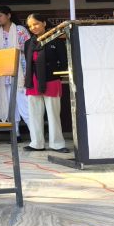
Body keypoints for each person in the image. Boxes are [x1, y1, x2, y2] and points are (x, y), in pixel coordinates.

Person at [23, 13, 69, 153]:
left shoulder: (56, 41)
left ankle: (57, 144)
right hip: (33, 81)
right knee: (34, 114)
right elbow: (29, 63)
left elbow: (64, 62)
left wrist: (55, 73)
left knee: (53, 114)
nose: (33, 28)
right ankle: (36, 143)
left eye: (36, 24)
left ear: (44, 23)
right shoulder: (28, 43)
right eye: (30, 26)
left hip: (51, 80)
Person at [0, 6, 31, 142]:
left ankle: (35, 136)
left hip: (20, 74)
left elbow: (28, 51)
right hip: (3, 76)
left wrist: (27, 73)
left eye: (0, 15)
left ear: (8, 15)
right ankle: (16, 134)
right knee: (10, 107)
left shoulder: (20, 30)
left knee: (25, 105)